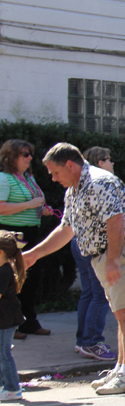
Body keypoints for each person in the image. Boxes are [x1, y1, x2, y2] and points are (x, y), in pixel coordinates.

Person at [24, 143, 125, 395]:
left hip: (123, 249)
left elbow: (115, 222)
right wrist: (34, 254)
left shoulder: (98, 182)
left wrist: (113, 260)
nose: (52, 178)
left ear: (70, 165)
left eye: (55, 173)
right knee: (120, 312)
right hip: (108, 253)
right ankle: (122, 369)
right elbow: (66, 230)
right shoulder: (74, 189)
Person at [0, 139, 55, 339]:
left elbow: (33, 204)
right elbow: (1, 207)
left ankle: (28, 323)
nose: (30, 158)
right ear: (10, 156)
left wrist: (43, 210)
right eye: (25, 154)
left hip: (30, 234)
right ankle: (9, 326)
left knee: (30, 280)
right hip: (10, 235)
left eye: (30, 153)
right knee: (10, 281)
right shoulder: (3, 179)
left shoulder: (28, 179)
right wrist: (32, 203)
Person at [71, 146, 118, 362]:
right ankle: (92, 342)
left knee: (89, 293)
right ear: (100, 163)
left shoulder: (82, 184)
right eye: (109, 159)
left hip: (78, 241)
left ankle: (83, 341)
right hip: (92, 244)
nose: (112, 163)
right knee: (99, 294)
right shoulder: (102, 183)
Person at [0, 231, 27, 401]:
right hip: (4, 318)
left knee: (4, 353)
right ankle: (6, 385)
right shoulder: (3, 269)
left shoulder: (3, 272)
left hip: (7, 319)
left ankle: (12, 388)